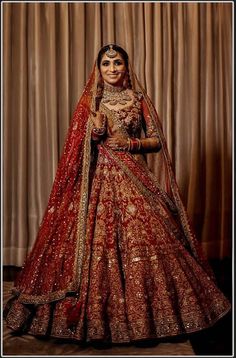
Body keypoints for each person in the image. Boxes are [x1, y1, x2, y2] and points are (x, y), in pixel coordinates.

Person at [4, 44, 231, 344]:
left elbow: (156, 142)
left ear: (126, 67)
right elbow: (77, 150)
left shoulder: (139, 100)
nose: (112, 68)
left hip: (135, 178)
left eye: (118, 63)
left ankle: (148, 316)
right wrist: (94, 134)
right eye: (106, 63)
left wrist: (132, 145)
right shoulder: (91, 102)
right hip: (97, 183)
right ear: (98, 69)